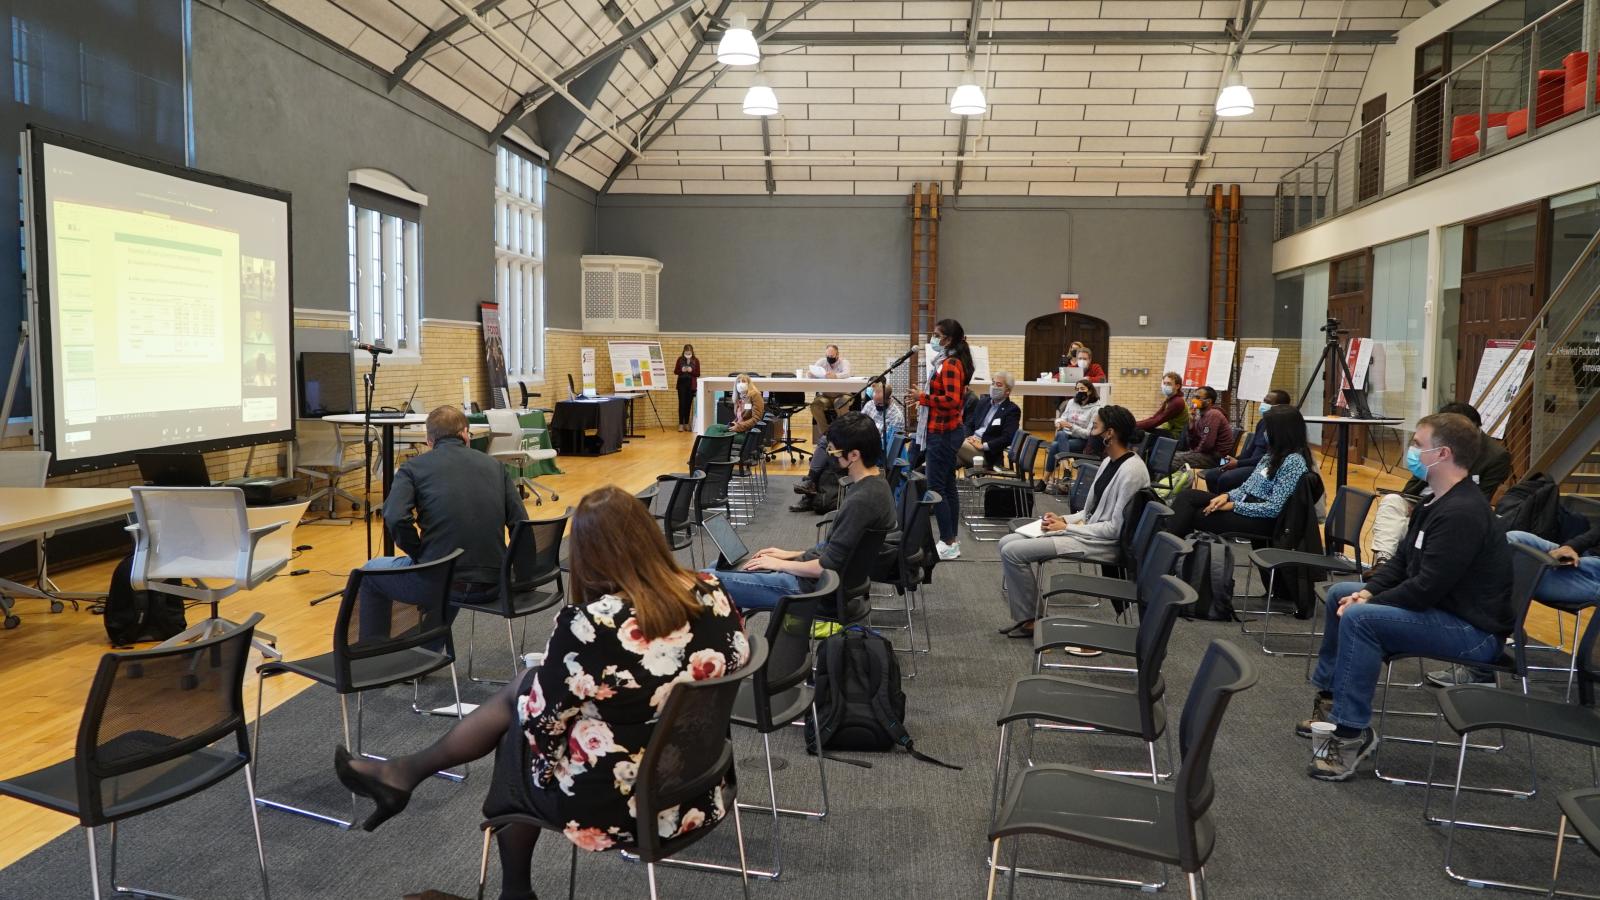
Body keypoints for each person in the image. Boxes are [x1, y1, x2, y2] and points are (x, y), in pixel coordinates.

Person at [333, 486, 749, 900]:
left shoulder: (592, 623)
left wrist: (543, 750)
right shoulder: (713, 590)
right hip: (700, 786)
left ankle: (509, 886)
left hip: (628, 807)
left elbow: (543, 729)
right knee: (525, 695)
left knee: (517, 733)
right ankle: (405, 775)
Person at [1297, 413, 1513, 782]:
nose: (1410, 450)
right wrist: (1367, 590)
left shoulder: (1462, 512)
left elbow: (1426, 587)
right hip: (1442, 610)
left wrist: (1369, 603)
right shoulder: (1435, 501)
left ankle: (1352, 733)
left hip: (1472, 634)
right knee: (1341, 594)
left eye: (1417, 443)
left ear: (1442, 453)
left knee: (1359, 617)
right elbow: (1401, 563)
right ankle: (1333, 702)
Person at [362, 406, 527, 639]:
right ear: (465, 434)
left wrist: (418, 554)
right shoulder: (495, 467)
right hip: (494, 583)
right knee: (448, 564)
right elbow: (521, 523)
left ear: (429, 441)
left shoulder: (412, 469)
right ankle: (426, 654)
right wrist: (523, 577)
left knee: (369, 573)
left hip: (442, 582)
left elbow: (395, 516)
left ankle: (373, 657)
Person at [714, 412, 897, 613]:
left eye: (834, 452)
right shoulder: (877, 485)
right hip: (821, 581)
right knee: (722, 567)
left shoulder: (862, 501)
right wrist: (789, 555)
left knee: (705, 581)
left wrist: (780, 564)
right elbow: (837, 552)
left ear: (854, 455)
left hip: (814, 590)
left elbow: (826, 567)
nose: (830, 457)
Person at [995, 406, 1150, 639]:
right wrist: (1063, 519)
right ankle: (1030, 617)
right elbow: (1089, 512)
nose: (1090, 432)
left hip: (1101, 543)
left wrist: (1066, 528)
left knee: (1013, 551)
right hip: (1084, 532)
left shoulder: (1132, 471)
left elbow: (1115, 530)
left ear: (1110, 433)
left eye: (1094, 427)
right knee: (1006, 541)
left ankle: (1032, 620)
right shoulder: (1109, 462)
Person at [1368, 401, 1511, 570]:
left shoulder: (1495, 456)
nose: (1415, 449)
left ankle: (1391, 566)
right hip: (1419, 502)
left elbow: (1480, 498)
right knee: (1392, 502)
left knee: (1399, 528)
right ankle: (1383, 562)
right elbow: (1413, 485)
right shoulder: (1436, 443)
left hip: (1449, 512)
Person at [1163, 404, 1311, 541]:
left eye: (1268, 429)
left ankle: (1166, 550)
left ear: (1282, 432)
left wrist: (1234, 505)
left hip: (1262, 520)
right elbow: (1247, 487)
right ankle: (1168, 548)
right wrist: (1227, 496)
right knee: (1187, 496)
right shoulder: (1272, 454)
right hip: (1245, 503)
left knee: (1193, 514)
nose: (1265, 433)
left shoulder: (1293, 462)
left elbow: (1273, 508)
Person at [916, 319, 975, 560]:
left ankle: (947, 540)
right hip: (943, 431)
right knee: (948, 487)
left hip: (943, 433)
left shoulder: (950, 364)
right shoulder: (947, 362)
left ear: (948, 340)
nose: (933, 338)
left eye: (936, 335)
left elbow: (952, 401)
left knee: (936, 488)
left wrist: (924, 398)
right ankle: (951, 540)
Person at [1201, 390, 1290, 492]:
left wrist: (1238, 463)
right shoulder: (1262, 422)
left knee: (1226, 479)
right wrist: (1232, 460)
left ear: (1280, 407)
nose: (1263, 404)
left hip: (1261, 467)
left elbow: (1269, 458)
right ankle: (1214, 502)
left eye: (1268, 402)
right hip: (1247, 463)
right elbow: (1250, 450)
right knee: (1213, 472)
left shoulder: (1281, 428)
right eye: (1264, 401)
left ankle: (1228, 504)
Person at [1043, 379, 1104, 488]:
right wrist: (1058, 423)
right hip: (1066, 437)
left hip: (1082, 441)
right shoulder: (1071, 402)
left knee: (1055, 445)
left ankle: (1046, 480)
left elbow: (1088, 434)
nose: (1079, 391)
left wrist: (1071, 426)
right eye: (1077, 389)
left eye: (1082, 389)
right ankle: (1066, 468)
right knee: (1060, 435)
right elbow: (1062, 418)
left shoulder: (1096, 409)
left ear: (1089, 391)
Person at [958, 371, 1020, 470]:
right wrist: (968, 437)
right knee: (944, 460)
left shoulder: (1012, 410)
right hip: (969, 444)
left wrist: (984, 446)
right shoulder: (983, 402)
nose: (994, 387)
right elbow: (970, 424)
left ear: (1007, 391)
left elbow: (1008, 437)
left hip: (987, 454)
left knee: (951, 443)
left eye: (998, 385)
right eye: (993, 383)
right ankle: (928, 476)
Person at [1172, 386, 1234, 471]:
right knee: (1170, 455)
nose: (1194, 400)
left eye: (1198, 397)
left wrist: (1194, 452)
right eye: (1194, 397)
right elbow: (1194, 443)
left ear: (1208, 401)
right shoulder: (1201, 417)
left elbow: (1207, 443)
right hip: (1207, 454)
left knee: (1173, 459)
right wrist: (1191, 423)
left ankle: (1162, 484)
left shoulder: (1213, 414)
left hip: (1217, 459)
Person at [807, 343, 852, 443]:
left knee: (841, 403)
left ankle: (842, 434)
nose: (829, 358)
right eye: (827, 356)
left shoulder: (844, 362)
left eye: (831, 356)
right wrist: (810, 374)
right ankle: (826, 435)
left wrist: (835, 376)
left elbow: (847, 373)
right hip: (825, 396)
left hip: (842, 394)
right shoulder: (822, 362)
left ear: (837, 355)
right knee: (815, 405)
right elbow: (813, 371)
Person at [1137, 371, 1190, 444]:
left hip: (1176, 436)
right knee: (1143, 430)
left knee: (1141, 432)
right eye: (1164, 383)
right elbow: (1155, 417)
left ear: (1177, 386)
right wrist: (1134, 424)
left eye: (1169, 384)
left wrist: (1133, 425)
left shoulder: (1177, 402)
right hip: (1169, 431)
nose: (1165, 386)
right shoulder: (1170, 400)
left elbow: (1158, 420)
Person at [864, 377, 906, 443]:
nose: (876, 406)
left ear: (889, 399)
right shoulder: (870, 404)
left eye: (880, 403)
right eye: (875, 402)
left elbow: (890, 441)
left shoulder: (896, 416)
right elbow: (861, 422)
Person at [674, 343, 700, 432]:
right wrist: (681, 370)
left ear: (692, 352)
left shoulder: (695, 360)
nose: (688, 353)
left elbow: (698, 374)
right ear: (684, 351)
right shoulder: (680, 359)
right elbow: (675, 371)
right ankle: (681, 424)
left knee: (688, 405)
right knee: (682, 404)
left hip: (691, 385)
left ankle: (686, 424)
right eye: (686, 352)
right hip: (681, 384)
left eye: (689, 352)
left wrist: (691, 371)